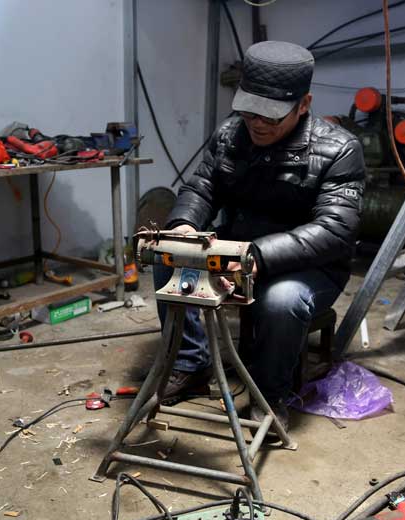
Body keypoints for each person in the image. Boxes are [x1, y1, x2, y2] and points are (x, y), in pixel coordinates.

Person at [154, 41, 365, 430]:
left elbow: (335, 230)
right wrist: (184, 226)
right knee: (169, 257)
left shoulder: (339, 149)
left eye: (272, 115)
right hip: (240, 247)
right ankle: (191, 363)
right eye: (250, 110)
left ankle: (269, 394)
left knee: (281, 300)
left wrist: (258, 256)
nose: (258, 123)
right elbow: (202, 188)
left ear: (304, 104)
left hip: (309, 265)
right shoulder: (231, 133)